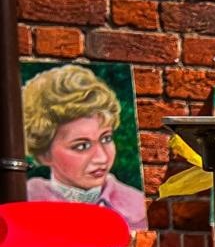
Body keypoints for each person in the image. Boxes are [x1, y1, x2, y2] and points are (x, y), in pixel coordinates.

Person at [22, 64, 147, 230]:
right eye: (82, 146)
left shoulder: (137, 209)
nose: (101, 158)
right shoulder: (27, 200)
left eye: (106, 138)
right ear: (44, 154)